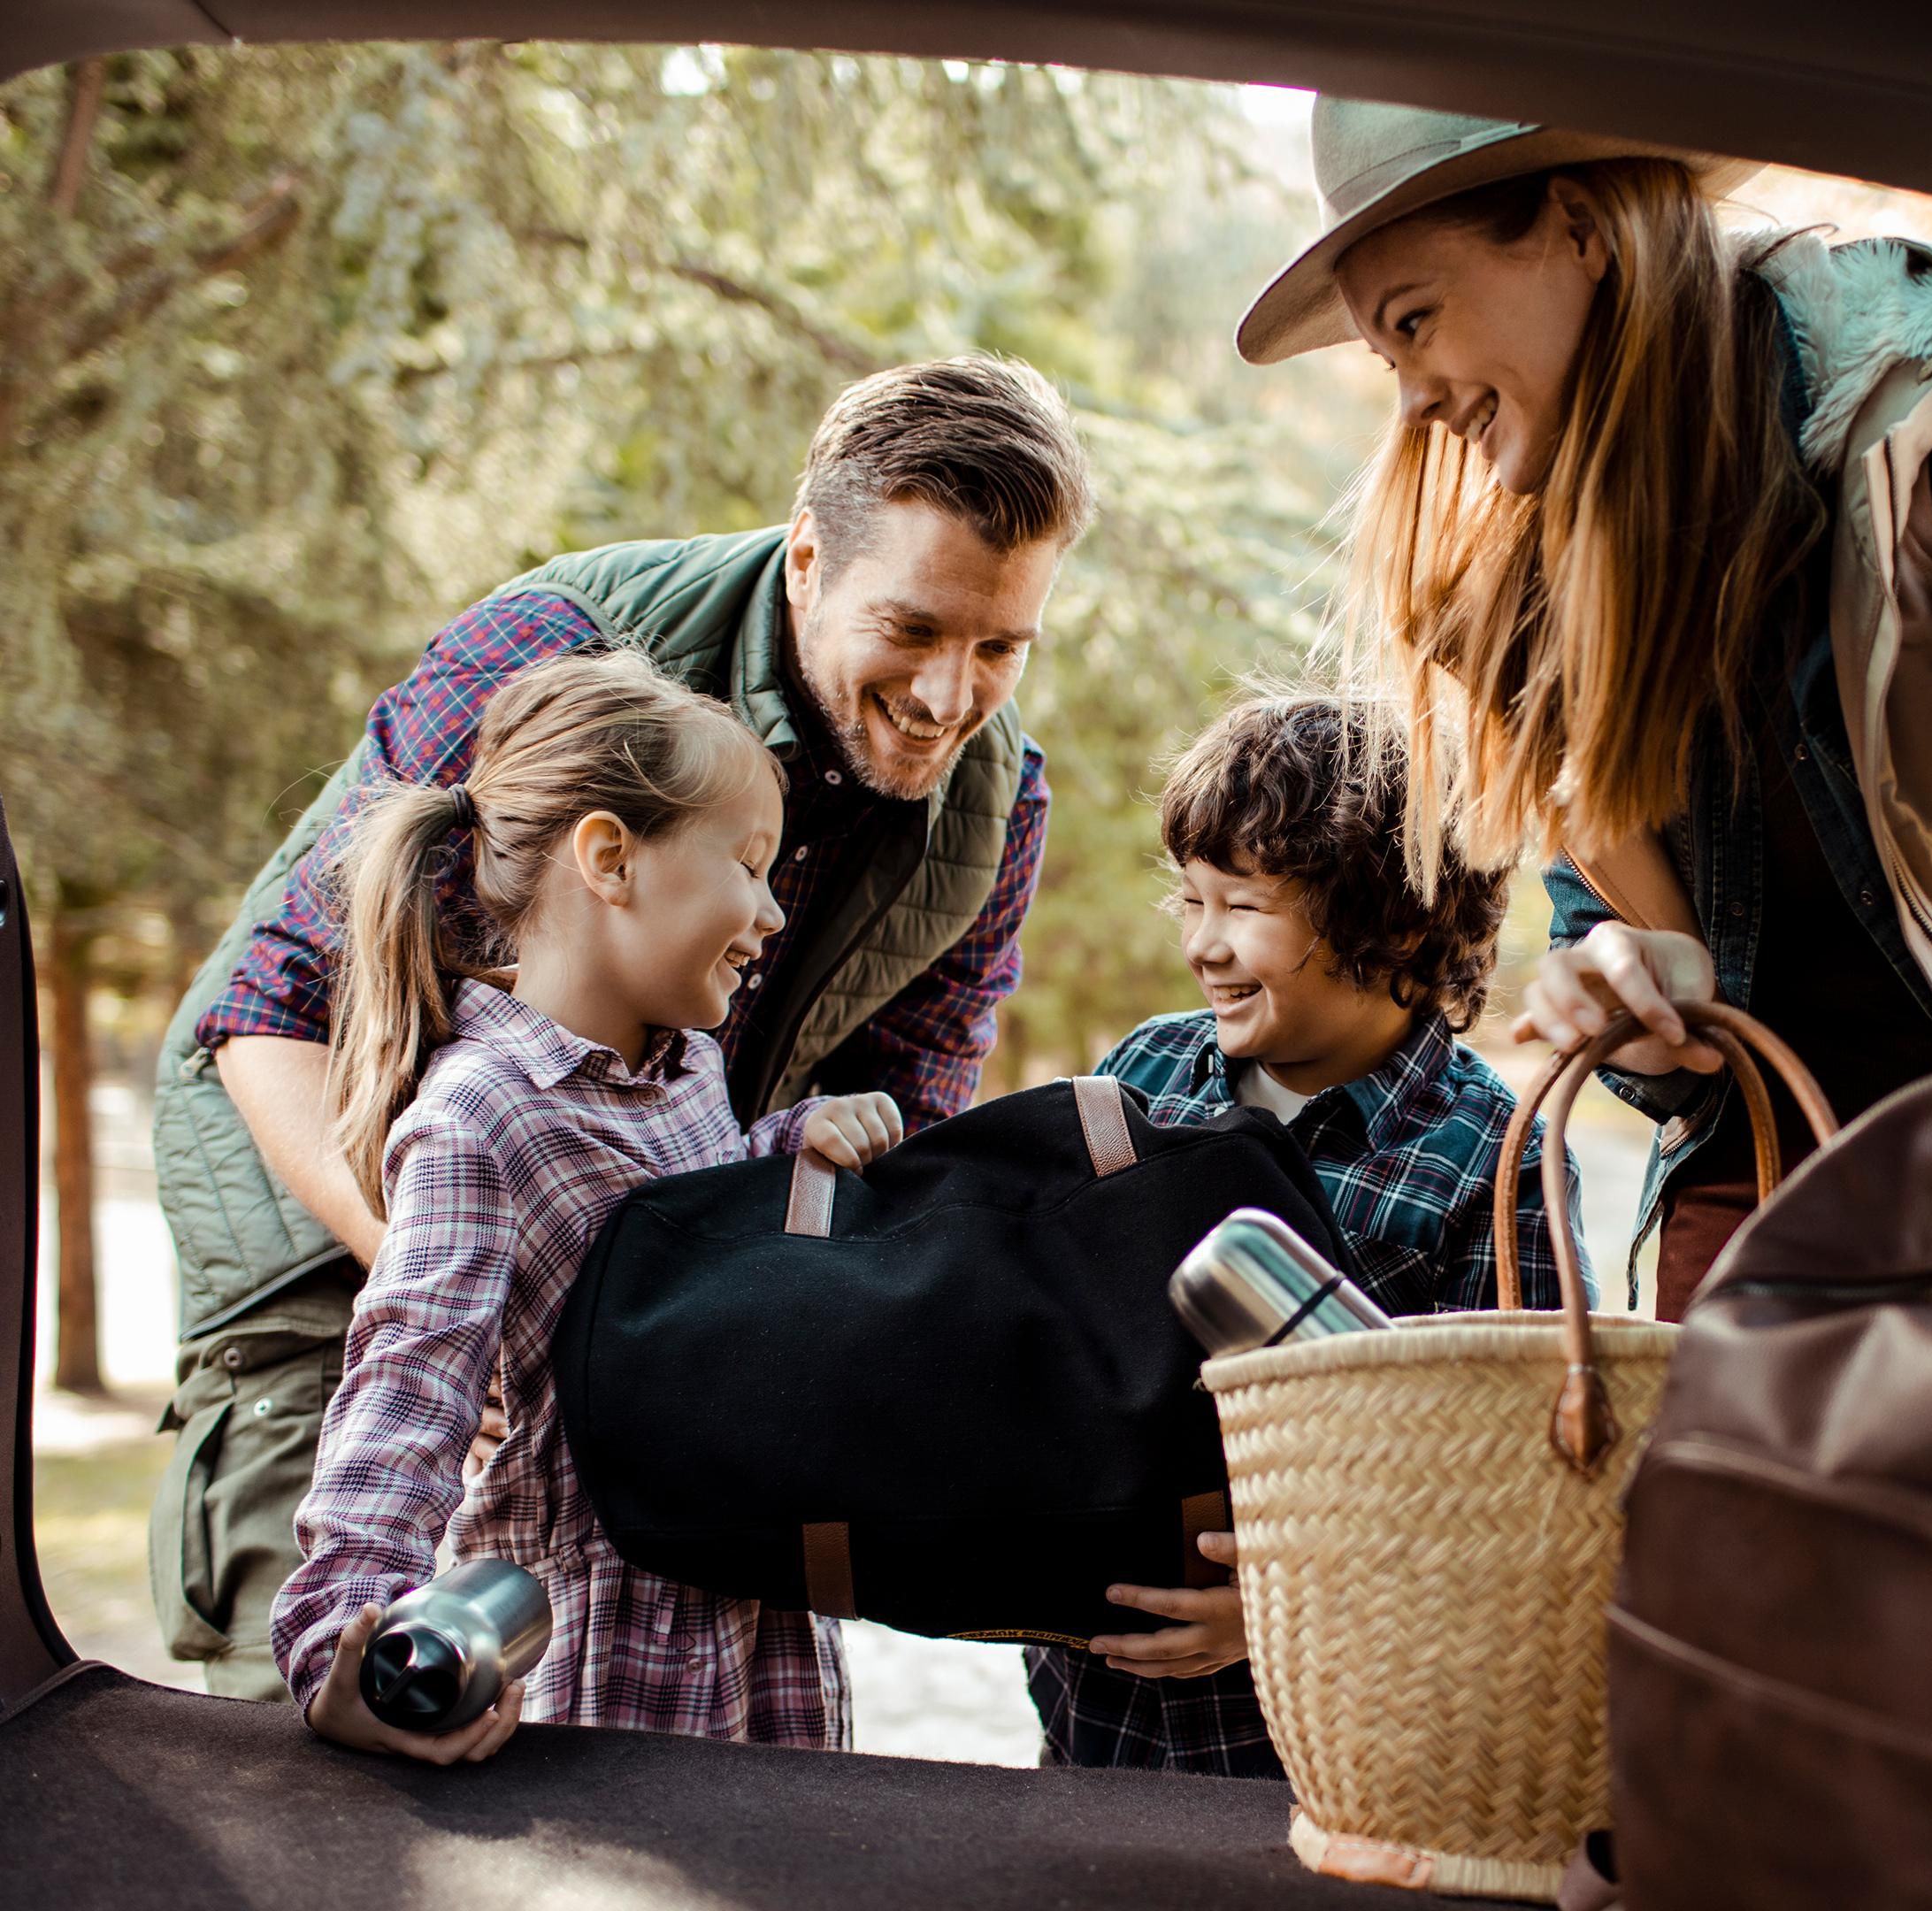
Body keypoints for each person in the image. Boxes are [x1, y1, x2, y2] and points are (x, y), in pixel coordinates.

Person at [1236, 99, 1932, 1316]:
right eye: (1389, 360)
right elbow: (1661, 996)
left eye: (1417, 322)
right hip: (1766, 1210)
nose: (1415, 402)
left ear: (1579, 227)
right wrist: (1627, 989)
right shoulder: (1530, 600)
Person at [150, 357, 1090, 1697]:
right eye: (917, 629)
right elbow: (269, 1010)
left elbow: (895, 1157)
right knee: (327, 1734)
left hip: (629, 1278)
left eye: (1002, 648)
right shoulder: (557, 643)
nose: (951, 695)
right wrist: (480, 1310)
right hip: (338, 1219)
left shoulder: (996, 812)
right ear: (810, 558)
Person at [272, 649, 907, 1761]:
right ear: (611, 858)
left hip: (757, 1638)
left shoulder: (687, 1071)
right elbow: (406, 1393)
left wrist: (783, 1151)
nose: (768, 913)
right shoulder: (483, 1115)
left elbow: (685, 1247)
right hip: (604, 1664)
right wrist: (343, 1645)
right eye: (750, 866)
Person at [1026, 692, 1587, 1777]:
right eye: (1188, 899)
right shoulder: (1144, 1072)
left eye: (1242, 905)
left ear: (1399, 918)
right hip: (1088, 1720)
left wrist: (1276, 1614)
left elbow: (1508, 1489)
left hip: (1314, 1742)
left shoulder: (1496, 1160)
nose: (1201, 944)